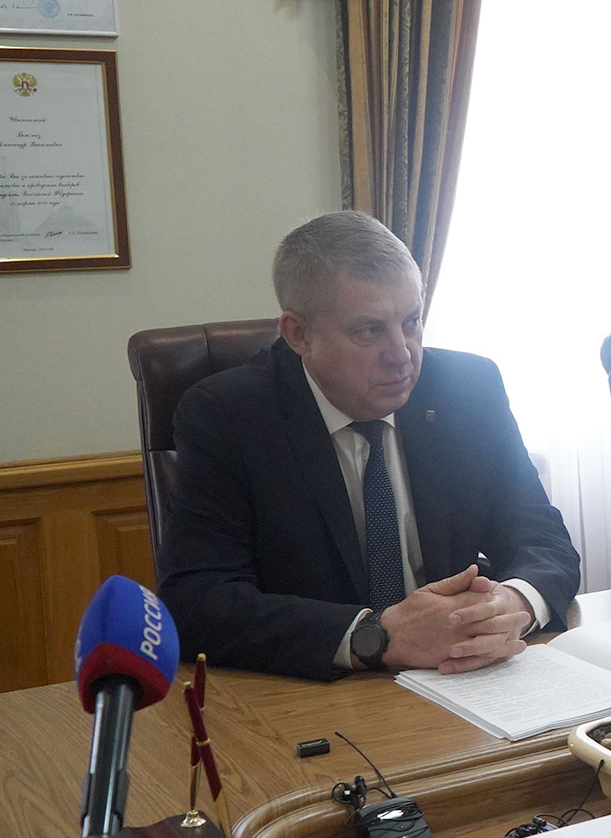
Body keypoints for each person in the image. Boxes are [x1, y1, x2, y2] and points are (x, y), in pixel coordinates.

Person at [157, 211, 580, 680]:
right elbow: (197, 601)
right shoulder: (228, 415)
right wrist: (376, 636)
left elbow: (543, 540)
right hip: (315, 692)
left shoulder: (468, 389)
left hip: (461, 677)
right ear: (298, 334)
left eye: (412, 321)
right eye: (369, 331)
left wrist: (512, 604)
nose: (402, 354)